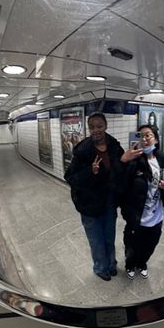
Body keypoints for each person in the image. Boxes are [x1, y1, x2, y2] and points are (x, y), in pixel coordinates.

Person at [64, 112, 124, 281]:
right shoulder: (82, 151)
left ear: (106, 126)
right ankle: (100, 268)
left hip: (109, 202)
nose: (96, 130)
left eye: (99, 126)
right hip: (89, 204)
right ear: (88, 128)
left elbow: (120, 169)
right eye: (92, 127)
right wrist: (91, 172)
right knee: (96, 240)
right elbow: (70, 177)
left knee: (109, 237)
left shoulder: (114, 146)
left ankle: (111, 264)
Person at [117, 123, 164, 279]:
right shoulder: (134, 161)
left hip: (156, 217)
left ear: (155, 139)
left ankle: (142, 263)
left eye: (148, 135)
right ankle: (130, 265)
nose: (145, 138)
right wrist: (123, 161)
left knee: (150, 246)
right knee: (132, 247)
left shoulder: (162, 158)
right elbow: (119, 183)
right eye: (141, 136)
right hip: (137, 217)